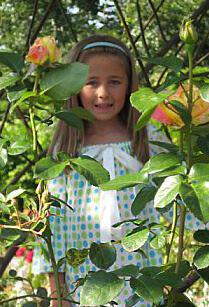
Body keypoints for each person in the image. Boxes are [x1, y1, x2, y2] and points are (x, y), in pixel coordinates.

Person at [31, 34, 201, 307]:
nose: (103, 93)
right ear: (74, 87)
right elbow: (53, 224)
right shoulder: (66, 148)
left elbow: (180, 197)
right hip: (82, 283)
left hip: (142, 281)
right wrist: (57, 292)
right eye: (91, 82)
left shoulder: (146, 137)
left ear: (129, 84)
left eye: (114, 81)